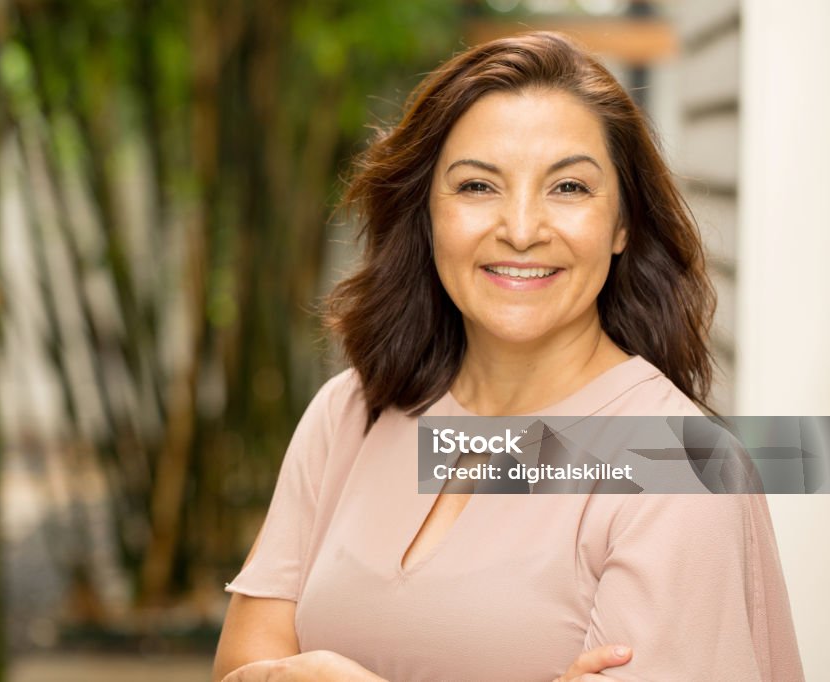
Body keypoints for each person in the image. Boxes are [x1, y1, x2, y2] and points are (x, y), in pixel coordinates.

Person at [213, 32, 804, 681]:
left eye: (569, 187)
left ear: (622, 223)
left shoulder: (681, 468)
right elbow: (243, 664)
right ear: (427, 212)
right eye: (477, 186)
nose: (521, 229)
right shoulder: (349, 415)